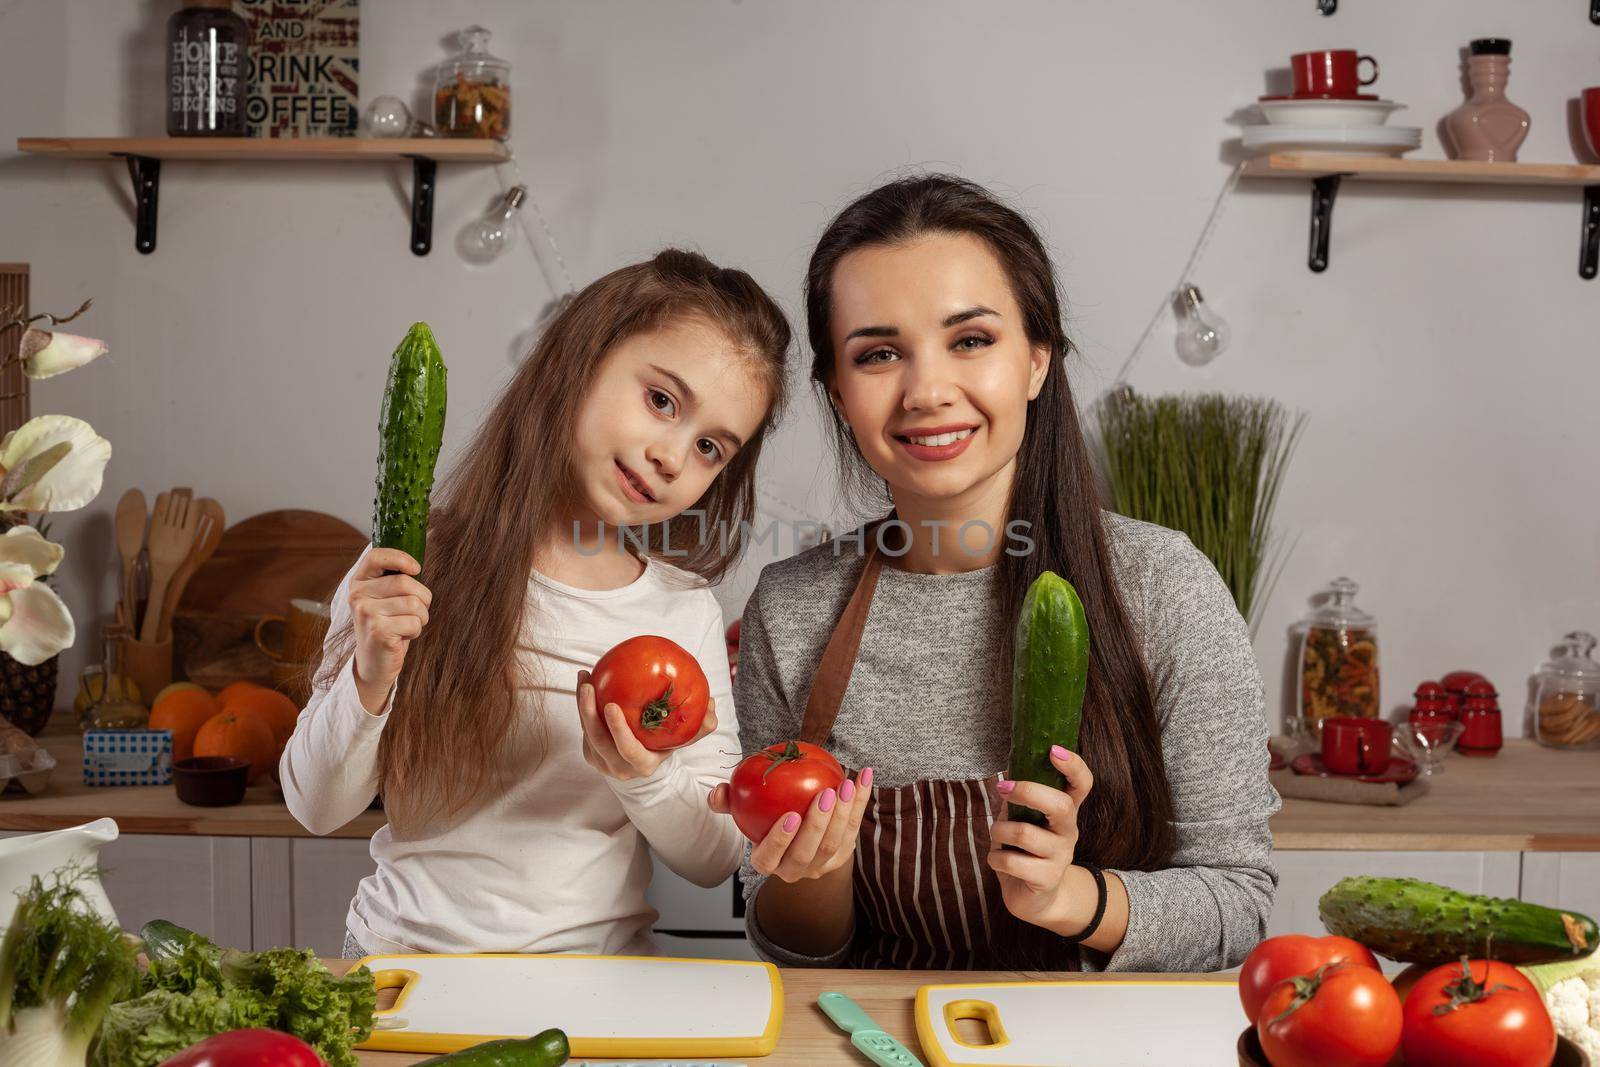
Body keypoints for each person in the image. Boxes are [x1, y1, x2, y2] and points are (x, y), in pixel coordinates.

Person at [711, 176, 1279, 971]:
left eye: (970, 340)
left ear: (1037, 360)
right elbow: (790, 941)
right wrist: (817, 874)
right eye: (878, 354)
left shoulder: (1161, 585)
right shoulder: (795, 605)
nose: (928, 391)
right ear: (839, 394)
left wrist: (1072, 898)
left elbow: (1240, 902)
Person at [281, 249, 791, 959]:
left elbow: (711, 858)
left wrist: (644, 774)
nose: (673, 456)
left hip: (597, 987)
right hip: (407, 967)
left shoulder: (682, 610)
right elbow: (314, 804)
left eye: (709, 446)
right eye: (661, 400)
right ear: (577, 361)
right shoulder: (415, 560)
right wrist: (368, 677)